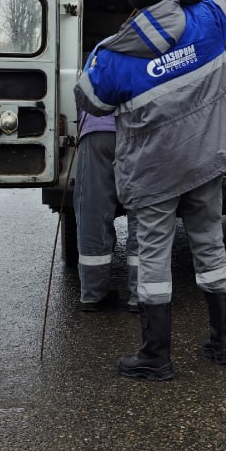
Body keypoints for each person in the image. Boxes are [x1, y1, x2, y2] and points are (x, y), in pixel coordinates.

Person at [75, 0, 226, 380]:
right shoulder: (207, 21)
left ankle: (156, 356)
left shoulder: (113, 54)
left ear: (132, 4)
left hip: (155, 170)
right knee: (210, 243)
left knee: (153, 255)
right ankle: (222, 343)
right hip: (206, 159)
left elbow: (90, 100)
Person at [73, 110, 139, 312]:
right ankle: (142, 295)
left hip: (96, 132)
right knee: (142, 215)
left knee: (93, 213)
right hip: (139, 131)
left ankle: (93, 294)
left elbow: (83, 93)